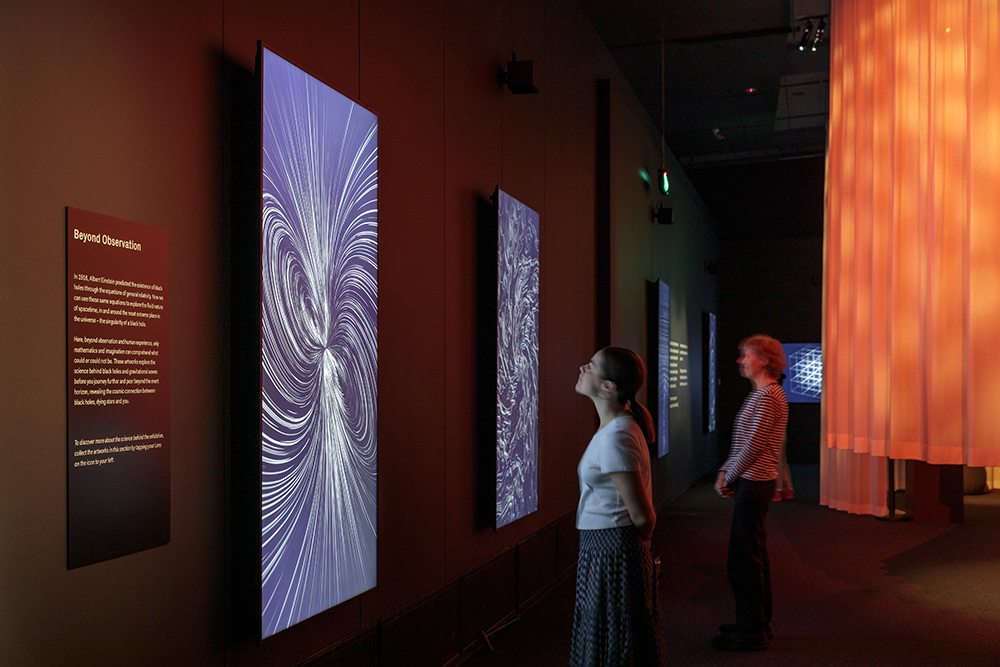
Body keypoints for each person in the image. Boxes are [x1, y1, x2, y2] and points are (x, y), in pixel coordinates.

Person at [570, 347, 665, 667]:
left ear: (609, 385)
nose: (583, 367)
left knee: (614, 642)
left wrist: (638, 545)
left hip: (612, 552)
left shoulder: (615, 435)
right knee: (614, 637)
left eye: (592, 366)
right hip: (607, 548)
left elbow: (642, 515)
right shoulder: (619, 427)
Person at [712, 335, 788, 651]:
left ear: (765, 360)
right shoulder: (763, 394)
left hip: (754, 482)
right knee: (749, 555)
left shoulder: (768, 396)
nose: (741, 361)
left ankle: (752, 629)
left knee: (745, 559)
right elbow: (744, 441)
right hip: (752, 480)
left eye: (746, 355)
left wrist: (728, 475)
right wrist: (726, 471)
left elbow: (754, 445)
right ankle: (754, 623)